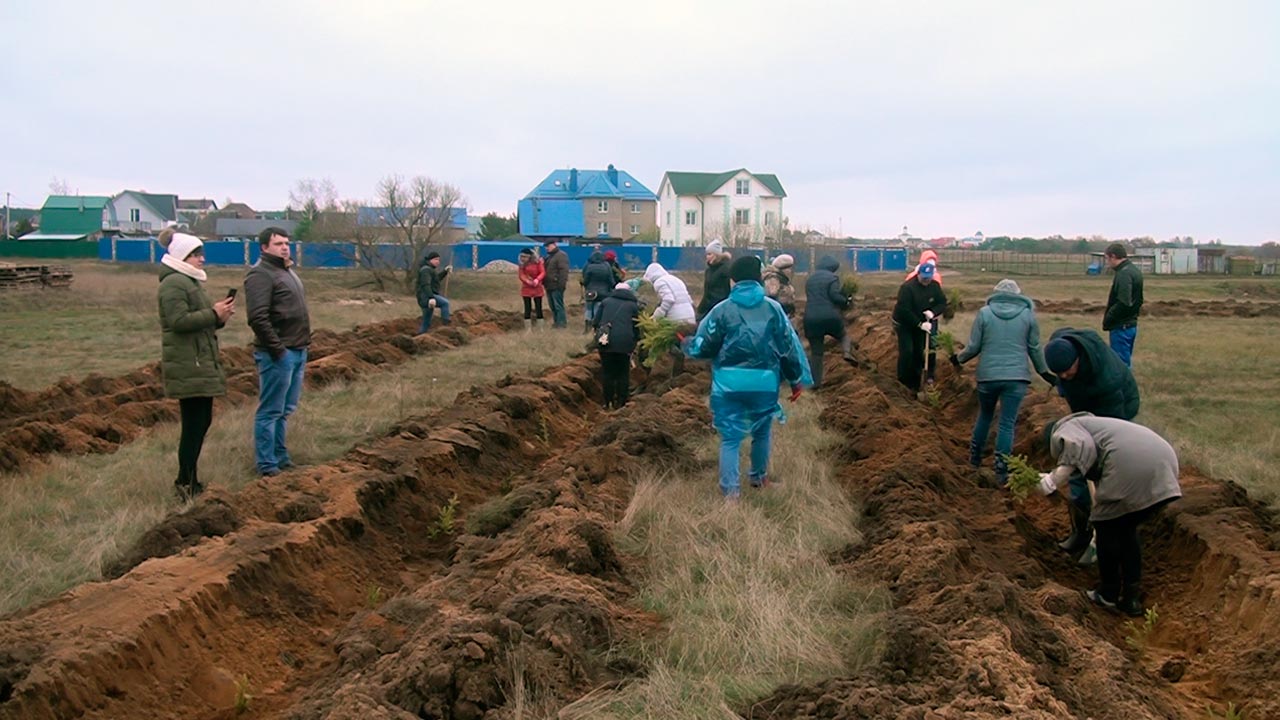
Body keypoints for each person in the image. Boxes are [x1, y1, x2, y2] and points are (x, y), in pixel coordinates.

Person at [684, 255, 812, 500]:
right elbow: (787, 348)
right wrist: (795, 380)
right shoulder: (773, 309)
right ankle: (758, 478)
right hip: (764, 382)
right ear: (758, 278)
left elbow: (704, 347)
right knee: (762, 431)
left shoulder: (721, 311)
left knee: (730, 438)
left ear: (733, 280)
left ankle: (730, 492)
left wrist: (687, 344)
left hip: (728, 383)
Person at [1037, 413, 1181, 617]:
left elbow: (1076, 447)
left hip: (1130, 467)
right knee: (1126, 531)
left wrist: (1052, 480)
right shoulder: (1099, 427)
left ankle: (1108, 593)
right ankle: (1131, 598)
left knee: (1106, 528)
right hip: (1164, 466)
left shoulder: (1066, 428)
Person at [1042, 328, 1141, 562]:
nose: (1064, 377)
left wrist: (1093, 458)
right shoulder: (1064, 351)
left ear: (1078, 361)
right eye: (1060, 375)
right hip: (1086, 410)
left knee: (1103, 472)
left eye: (1067, 372)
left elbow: (1111, 430)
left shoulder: (1107, 381)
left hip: (1117, 412)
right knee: (1077, 468)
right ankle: (1081, 531)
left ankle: (1106, 533)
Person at [951, 279, 1056, 485]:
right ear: (1018, 295)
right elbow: (1034, 348)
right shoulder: (1028, 316)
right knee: (1007, 423)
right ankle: (1001, 468)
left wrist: (958, 359)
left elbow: (974, 346)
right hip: (1016, 378)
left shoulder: (984, 314)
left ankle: (974, 459)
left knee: (985, 415)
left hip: (988, 376)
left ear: (996, 294)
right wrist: (1045, 373)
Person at [157, 229, 234, 500]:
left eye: (201, 254)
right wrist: (212, 312)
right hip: (189, 362)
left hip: (198, 359)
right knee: (194, 424)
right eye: (196, 255)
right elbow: (178, 322)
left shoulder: (188, 282)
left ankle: (189, 479)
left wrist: (219, 317)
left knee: (201, 421)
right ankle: (185, 483)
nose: (202, 259)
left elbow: (197, 320)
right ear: (182, 256)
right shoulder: (174, 284)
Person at [245, 226, 311, 478]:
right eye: (278, 244)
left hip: (297, 349)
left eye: (286, 243)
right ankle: (266, 465)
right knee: (270, 411)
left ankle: (281, 457)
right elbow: (258, 318)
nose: (284, 247)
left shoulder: (286, 271)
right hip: (278, 354)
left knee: (285, 410)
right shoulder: (260, 275)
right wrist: (278, 350)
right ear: (264, 248)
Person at [892, 262, 947, 393]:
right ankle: (903, 382)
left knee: (919, 352)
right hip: (905, 324)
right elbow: (904, 310)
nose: (926, 281)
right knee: (907, 352)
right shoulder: (907, 288)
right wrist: (919, 324)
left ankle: (916, 383)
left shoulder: (935, 286)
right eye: (924, 278)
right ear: (918, 275)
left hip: (924, 324)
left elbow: (942, 302)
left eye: (928, 278)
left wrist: (933, 312)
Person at [802, 255, 855, 387]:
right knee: (843, 335)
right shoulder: (832, 278)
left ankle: (815, 383)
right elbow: (834, 296)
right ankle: (847, 352)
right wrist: (846, 301)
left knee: (817, 353)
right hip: (830, 316)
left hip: (811, 318)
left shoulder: (810, 279)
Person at [594, 281, 642, 409]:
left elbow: (596, 322)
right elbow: (637, 327)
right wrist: (635, 341)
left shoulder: (605, 302)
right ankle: (621, 402)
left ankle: (608, 402)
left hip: (606, 342)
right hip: (625, 344)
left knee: (608, 373)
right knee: (623, 373)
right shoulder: (633, 306)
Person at [1102, 243, 1143, 366]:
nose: (1107, 263)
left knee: (1120, 365)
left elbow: (1124, 302)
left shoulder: (1124, 273)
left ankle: (1124, 385)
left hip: (1121, 326)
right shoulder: (1134, 271)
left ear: (1113, 256)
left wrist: (1110, 317)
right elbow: (1139, 300)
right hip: (1131, 324)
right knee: (1125, 361)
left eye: (1107, 259)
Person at [416, 251, 452, 333]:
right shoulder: (426, 270)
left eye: (439, 260)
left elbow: (436, 280)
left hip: (424, 297)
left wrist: (445, 271)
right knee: (445, 303)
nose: (438, 262)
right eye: (435, 259)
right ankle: (446, 326)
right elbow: (426, 284)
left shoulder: (429, 269)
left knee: (426, 321)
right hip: (426, 297)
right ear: (429, 260)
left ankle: (420, 335)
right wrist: (431, 297)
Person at [696, 240, 733, 320]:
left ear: (716, 255)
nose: (707, 257)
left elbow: (727, 289)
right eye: (707, 254)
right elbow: (707, 292)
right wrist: (700, 309)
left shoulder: (725, 269)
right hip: (708, 307)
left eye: (710, 254)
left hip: (720, 307)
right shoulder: (709, 271)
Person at [580, 250, 615, 334]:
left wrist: (584, 284)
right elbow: (611, 280)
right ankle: (596, 328)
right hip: (603, 292)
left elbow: (585, 280)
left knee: (588, 309)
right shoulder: (606, 266)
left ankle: (587, 327)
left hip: (590, 292)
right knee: (597, 309)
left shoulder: (589, 266)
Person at [542, 239, 570, 328]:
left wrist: (561, 285)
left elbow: (563, 271)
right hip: (549, 285)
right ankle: (556, 322)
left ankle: (562, 323)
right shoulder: (549, 257)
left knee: (558, 305)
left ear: (554, 245)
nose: (547, 248)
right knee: (552, 306)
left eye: (548, 246)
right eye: (546, 247)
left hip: (557, 285)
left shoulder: (561, 255)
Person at [517, 247, 545, 332]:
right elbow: (521, 275)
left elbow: (542, 272)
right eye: (521, 256)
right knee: (527, 307)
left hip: (537, 287)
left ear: (530, 256)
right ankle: (528, 329)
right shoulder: (522, 264)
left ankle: (540, 328)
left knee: (538, 307)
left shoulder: (538, 262)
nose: (522, 258)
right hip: (526, 288)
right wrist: (527, 281)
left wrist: (537, 280)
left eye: (524, 257)